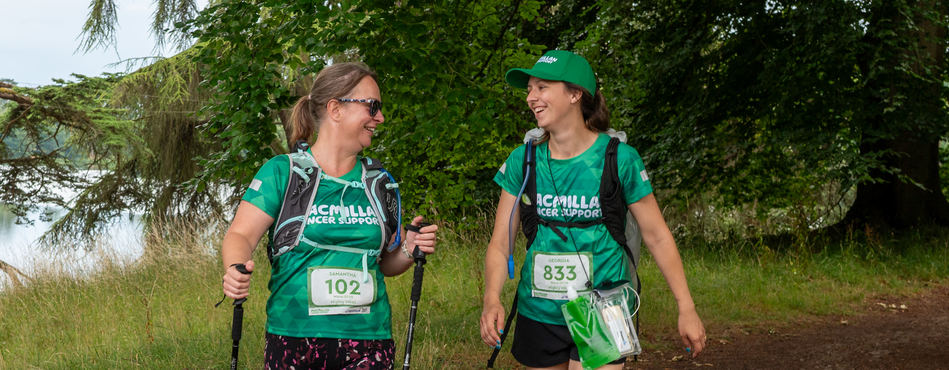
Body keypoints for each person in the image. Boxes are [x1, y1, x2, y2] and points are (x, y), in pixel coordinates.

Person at [478, 50, 707, 370]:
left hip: (605, 308)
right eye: (529, 89)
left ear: (575, 93)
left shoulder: (620, 159)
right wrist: (492, 299)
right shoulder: (523, 160)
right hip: (539, 312)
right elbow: (501, 244)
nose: (531, 97)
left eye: (542, 87)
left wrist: (686, 307)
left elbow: (657, 237)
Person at [220, 62, 439, 370]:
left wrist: (408, 248)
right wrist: (235, 268)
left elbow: (386, 265)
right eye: (372, 106)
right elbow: (240, 235)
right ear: (336, 109)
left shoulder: (380, 183)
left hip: (369, 339)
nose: (380, 117)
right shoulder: (283, 172)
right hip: (294, 337)